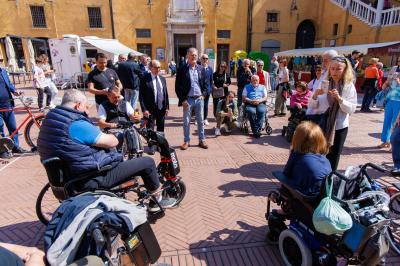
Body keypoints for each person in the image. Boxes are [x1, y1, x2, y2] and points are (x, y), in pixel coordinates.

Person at [37, 89, 176, 211]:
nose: (86, 111)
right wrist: (115, 136)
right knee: (147, 162)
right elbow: (111, 142)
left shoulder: (51, 120)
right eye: (85, 107)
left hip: (65, 179)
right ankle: (156, 200)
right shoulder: (75, 124)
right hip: (89, 179)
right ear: (78, 105)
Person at [309, 56, 357, 171]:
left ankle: (329, 181)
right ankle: (318, 176)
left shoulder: (348, 86)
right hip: (322, 124)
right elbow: (313, 106)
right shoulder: (324, 83)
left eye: (338, 69)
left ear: (345, 70)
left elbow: (351, 109)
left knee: (334, 156)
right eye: (332, 68)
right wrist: (315, 95)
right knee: (318, 153)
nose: (334, 72)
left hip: (340, 126)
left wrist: (340, 99)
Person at [283, 121, 332, 196]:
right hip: (323, 196)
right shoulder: (325, 159)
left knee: (284, 181)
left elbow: (286, 173)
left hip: (306, 196)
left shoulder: (296, 154)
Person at [175, 48, 208, 150]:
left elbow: (206, 85)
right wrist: (183, 100)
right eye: (191, 55)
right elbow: (178, 86)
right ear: (187, 56)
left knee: (201, 120)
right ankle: (186, 141)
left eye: (195, 55)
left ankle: (201, 140)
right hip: (188, 99)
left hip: (199, 99)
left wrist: (203, 94)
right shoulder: (182, 69)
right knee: (186, 121)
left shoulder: (201, 69)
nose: (194, 57)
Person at [0, 65, 27, 158]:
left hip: (8, 104)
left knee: (13, 127)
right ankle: (2, 150)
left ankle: (15, 146)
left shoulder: (3, 71)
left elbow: (9, 84)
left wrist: (15, 91)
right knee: (0, 128)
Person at [139, 60, 169, 135]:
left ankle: (160, 145)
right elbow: (141, 95)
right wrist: (144, 109)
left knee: (161, 130)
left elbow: (165, 94)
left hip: (161, 108)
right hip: (150, 109)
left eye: (159, 67)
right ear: (150, 68)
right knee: (150, 130)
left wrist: (167, 107)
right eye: (155, 67)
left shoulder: (162, 79)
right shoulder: (145, 78)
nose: (158, 69)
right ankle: (152, 145)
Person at [378, 74, 400, 149]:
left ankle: (394, 144)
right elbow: (383, 87)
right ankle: (385, 141)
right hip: (390, 101)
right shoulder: (394, 73)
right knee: (387, 121)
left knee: (395, 123)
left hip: (398, 102)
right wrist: (387, 82)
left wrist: (399, 83)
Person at [200, 54, 213, 126]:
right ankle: (198, 119)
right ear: (201, 59)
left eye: (206, 58)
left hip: (207, 91)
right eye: (203, 58)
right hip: (200, 91)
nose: (205, 60)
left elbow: (211, 80)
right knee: (198, 106)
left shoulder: (210, 69)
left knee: (205, 105)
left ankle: (205, 118)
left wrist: (210, 89)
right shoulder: (198, 68)